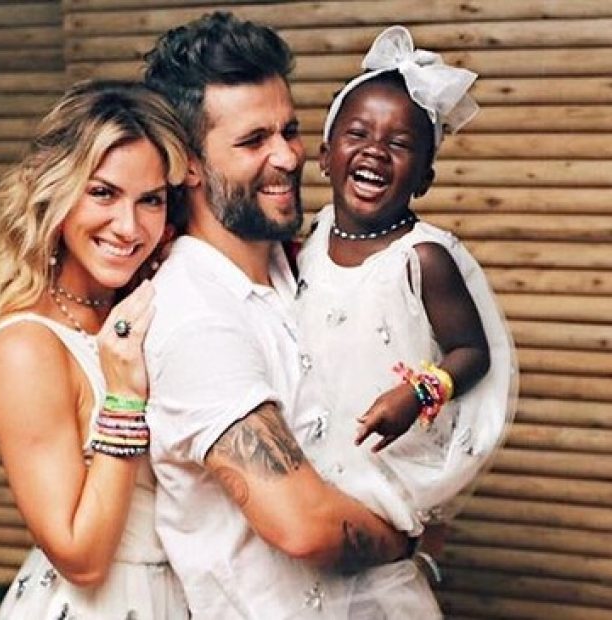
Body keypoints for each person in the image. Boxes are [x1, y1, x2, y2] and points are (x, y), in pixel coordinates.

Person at [143, 11, 441, 619]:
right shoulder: (197, 319)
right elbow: (303, 525)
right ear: (188, 163)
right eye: (253, 141)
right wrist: (410, 539)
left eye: (291, 130)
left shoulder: (304, 267)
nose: (286, 156)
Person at [295, 25, 517, 609]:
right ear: (325, 156)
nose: (375, 151)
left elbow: (473, 352)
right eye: (358, 134)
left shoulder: (422, 259)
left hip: (380, 471)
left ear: (424, 177)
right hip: (309, 467)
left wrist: (418, 394)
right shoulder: (311, 238)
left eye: (399, 144)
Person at [0, 80, 190, 619]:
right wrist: (123, 398)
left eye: (150, 200)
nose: (128, 227)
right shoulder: (26, 346)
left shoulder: (146, 305)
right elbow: (80, 557)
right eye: (103, 193)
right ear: (56, 192)